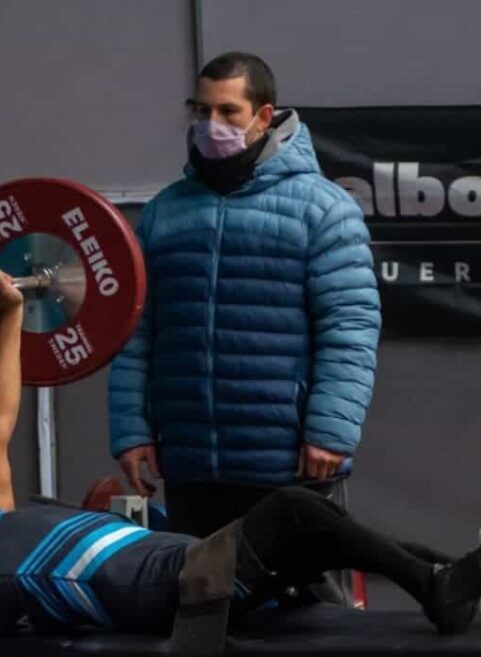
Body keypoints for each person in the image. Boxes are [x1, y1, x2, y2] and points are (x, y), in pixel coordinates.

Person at [0, 268, 481, 641]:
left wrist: (15, 315)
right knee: (301, 506)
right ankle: (443, 592)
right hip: (188, 595)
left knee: (311, 526)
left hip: (190, 562)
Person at [107, 51, 382, 539]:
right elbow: (135, 333)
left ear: (264, 116)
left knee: (313, 614)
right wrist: (132, 432)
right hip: (192, 466)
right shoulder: (163, 214)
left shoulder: (324, 209)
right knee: (202, 606)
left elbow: (351, 328)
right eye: (202, 111)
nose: (212, 124)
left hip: (291, 463)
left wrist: (331, 433)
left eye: (228, 112)